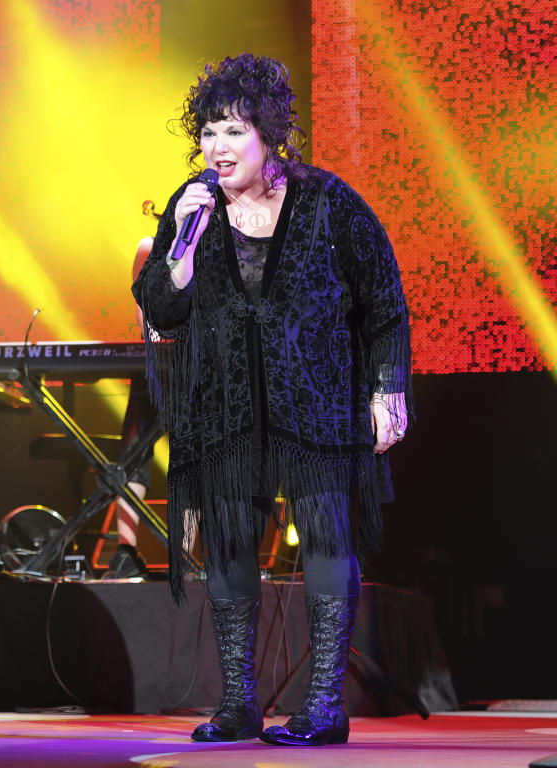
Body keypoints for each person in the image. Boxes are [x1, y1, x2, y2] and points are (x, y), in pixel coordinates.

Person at [131, 54, 413, 747]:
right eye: (207, 133)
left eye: (232, 132)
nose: (217, 149)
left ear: (269, 135)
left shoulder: (328, 202)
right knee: (228, 546)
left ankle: (323, 706)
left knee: (325, 533)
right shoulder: (189, 207)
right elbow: (162, 314)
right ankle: (238, 704)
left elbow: (384, 304)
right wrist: (183, 254)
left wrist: (389, 389)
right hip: (224, 403)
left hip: (314, 401)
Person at [104, 237, 159, 579]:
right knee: (134, 447)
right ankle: (125, 550)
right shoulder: (150, 246)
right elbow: (142, 307)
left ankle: (187, 558)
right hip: (157, 358)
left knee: (199, 455)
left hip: (204, 363)